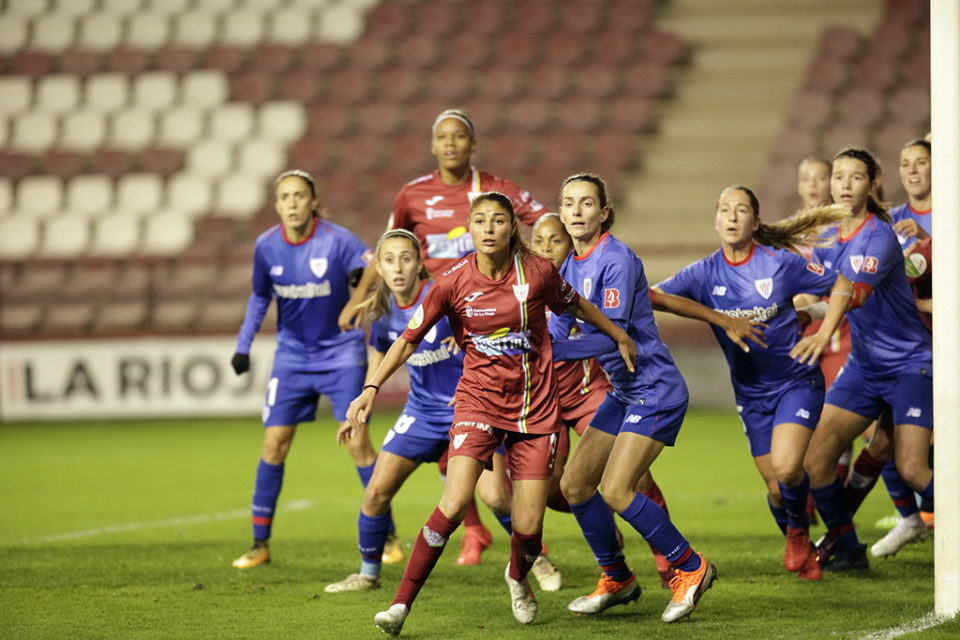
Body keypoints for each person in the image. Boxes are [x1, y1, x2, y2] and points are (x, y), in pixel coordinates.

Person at [343, 192, 636, 636]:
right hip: (478, 404)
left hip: (536, 410)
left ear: (511, 227)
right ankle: (400, 605)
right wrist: (370, 388)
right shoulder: (452, 281)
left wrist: (617, 333)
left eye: (497, 220)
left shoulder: (537, 272)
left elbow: (575, 304)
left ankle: (518, 574)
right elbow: (407, 338)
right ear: (470, 228)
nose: (488, 228)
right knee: (455, 502)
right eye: (479, 220)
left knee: (529, 525)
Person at [340, 108, 547, 565]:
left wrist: (550, 259)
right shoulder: (412, 197)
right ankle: (467, 537)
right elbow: (387, 245)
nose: (451, 144)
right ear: (432, 145)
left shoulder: (492, 192)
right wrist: (359, 299)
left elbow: (544, 220)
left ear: (473, 145)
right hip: (432, 314)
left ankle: (530, 546)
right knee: (431, 470)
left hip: (478, 321)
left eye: (460, 137)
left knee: (490, 484)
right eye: (442, 137)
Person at [655, 185, 852, 581]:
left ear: (755, 222)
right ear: (715, 221)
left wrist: (819, 328)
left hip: (796, 380)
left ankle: (805, 533)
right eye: (724, 209)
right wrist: (718, 318)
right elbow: (654, 296)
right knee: (777, 489)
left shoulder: (780, 263)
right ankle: (803, 540)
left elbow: (842, 284)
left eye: (741, 210)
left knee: (788, 466)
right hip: (750, 394)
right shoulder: (703, 272)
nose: (731, 216)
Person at [554, 174, 719, 624]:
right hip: (625, 392)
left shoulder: (618, 260)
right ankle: (617, 577)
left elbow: (612, 336)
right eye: (569, 203)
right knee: (574, 486)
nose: (576, 211)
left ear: (603, 212)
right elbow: (552, 332)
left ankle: (691, 567)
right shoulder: (569, 267)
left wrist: (547, 352)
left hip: (655, 390)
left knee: (616, 489)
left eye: (586, 203)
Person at [229, 169, 380, 569]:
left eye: (299, 196)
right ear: (276, 205)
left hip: (341, 354)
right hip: (292, 358)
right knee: (274, 445)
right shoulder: (266, 246)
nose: (292, 203)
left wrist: (358, 292)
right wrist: (243, 347)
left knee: (358, 444)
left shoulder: (337, 239)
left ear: (313, 201)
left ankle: (388, 535)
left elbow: (378, 262)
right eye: (285, 197)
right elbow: (260, 298)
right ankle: (259, 544)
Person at [792, 147, 933, 571]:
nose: (844, 185)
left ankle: (919, 518)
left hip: (910, 364)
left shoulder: (879, 236)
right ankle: (848, 548)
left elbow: (854, 294)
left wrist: (820, 329)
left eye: (856, 178)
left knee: (912, 469)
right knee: (816, 461)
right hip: (866, 366)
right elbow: (821, 288)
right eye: (839, 177)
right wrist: (798, 310)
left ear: (872, 184)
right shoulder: (828, 235)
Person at [324, 229, 464, 593]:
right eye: (389, 260)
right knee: (375, 493)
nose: (398, 267)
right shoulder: (384, 312)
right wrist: (362, 407)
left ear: (420, 264)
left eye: (406, 258)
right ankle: (368, 574)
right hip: (421, 412)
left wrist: (471, 382)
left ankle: (535, 560)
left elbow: (480, 342)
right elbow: (379, 357)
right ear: (379, 269)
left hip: (467, 409)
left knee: (497, 497)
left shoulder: (444, 300)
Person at [840, 138, 935, 556]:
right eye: (905, 163)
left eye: (922, 163)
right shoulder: (890, 223)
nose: (913, 171)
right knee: (881, 444)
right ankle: (899, 521)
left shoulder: (946, 219)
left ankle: (843, 534)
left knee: (908, 454)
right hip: (901, 349)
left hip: (934, 346)